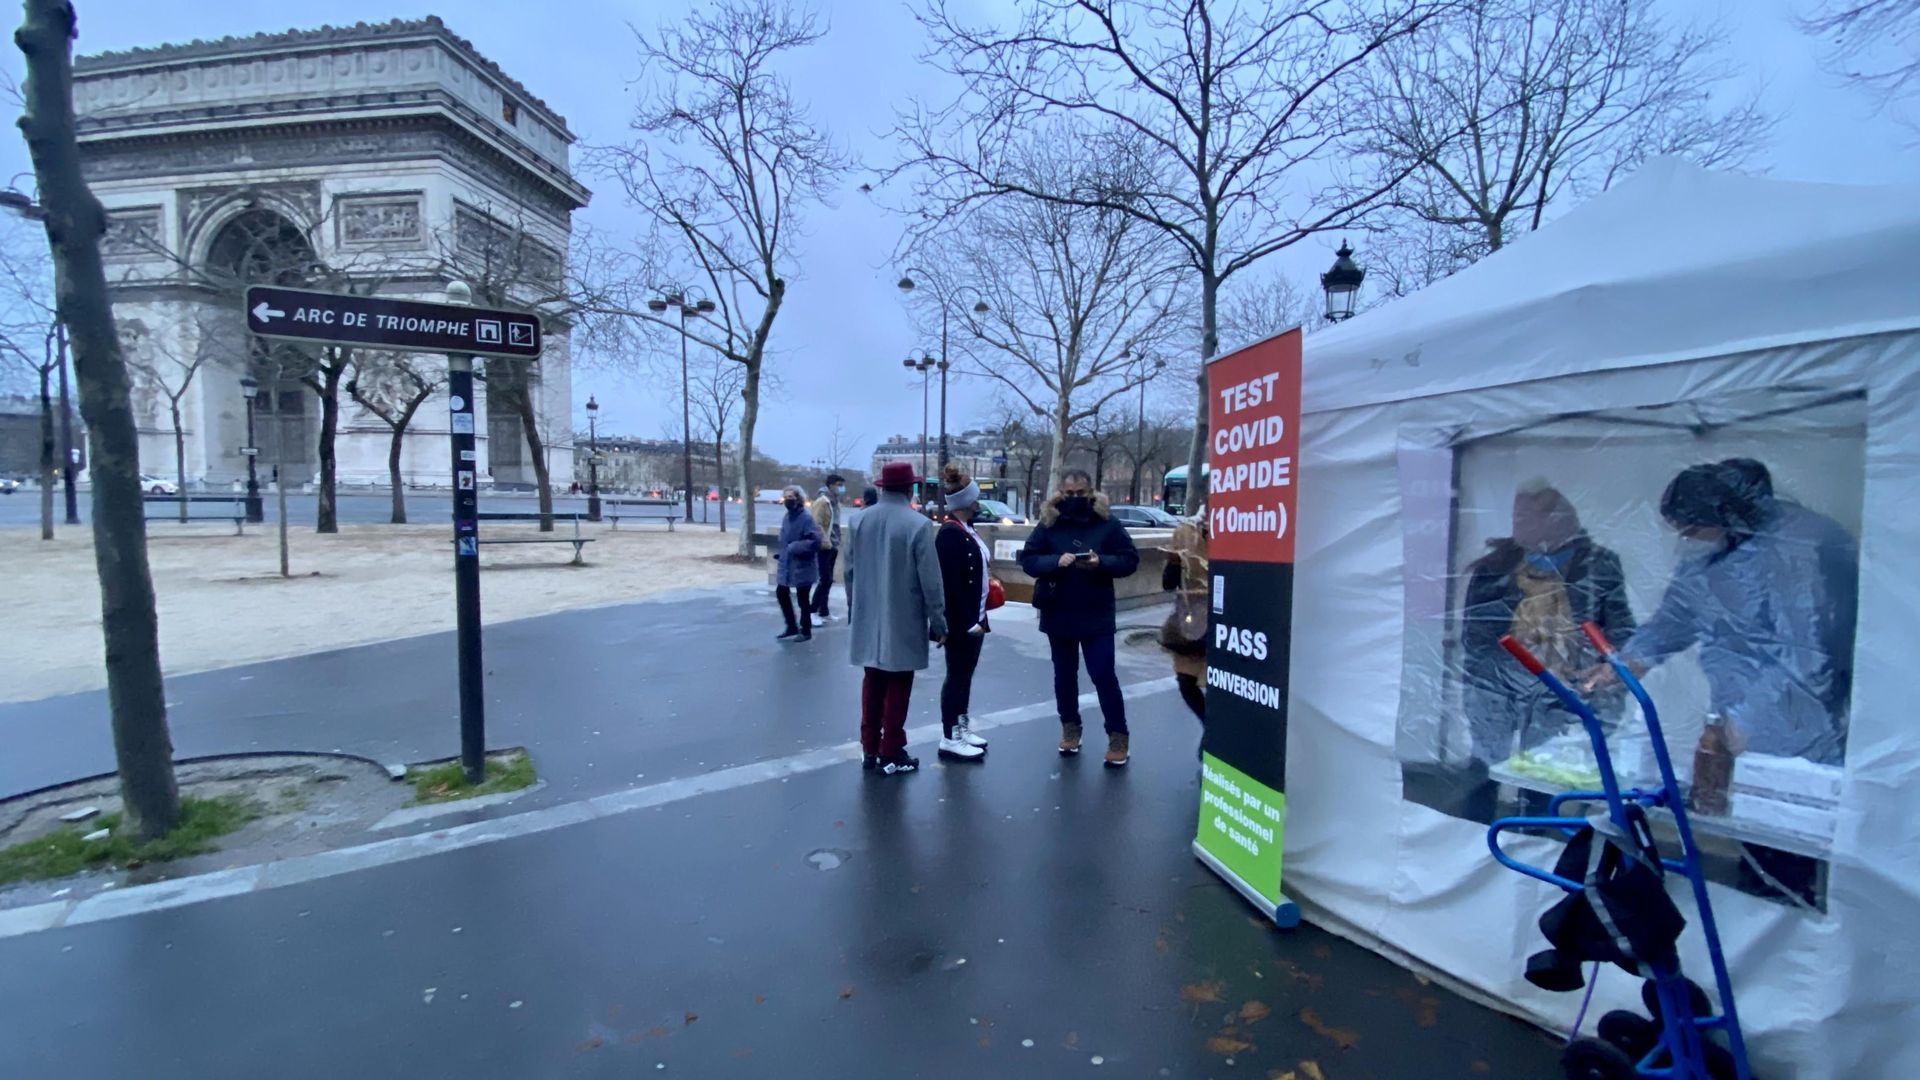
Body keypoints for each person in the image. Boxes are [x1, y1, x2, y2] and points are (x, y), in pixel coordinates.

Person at [1583, 459, 1857, 764]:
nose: (1686, 540)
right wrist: (1631, 660)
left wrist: (1748, 718)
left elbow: (1807, 654)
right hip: (1736, 716)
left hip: (1803, 728)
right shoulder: (1714, 550)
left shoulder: (1801, 548)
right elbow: (1679, 613)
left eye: (1692, 530)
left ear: (1727, 515)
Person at [1459, 480, 1635, 820]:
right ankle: (1472, 836)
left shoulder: (1599, 566)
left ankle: (1532, 845)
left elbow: (1620, 626)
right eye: (1517, 515)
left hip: (1562, 688)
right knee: (1483, 769)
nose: (1519, 523)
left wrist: (1606, 668)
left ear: (1561, 520)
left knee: (1540, 774)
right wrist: (1510, 675)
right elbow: (1476, 637)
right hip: (1496, 687)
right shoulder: (1493, 568)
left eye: (1531, 515)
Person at [1019, 469, 1140, 766]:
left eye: (1080, 493)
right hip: (1058, 611)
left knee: (1103, 675)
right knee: (1064, 676)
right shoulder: (1049, 523)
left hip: (1096, 612)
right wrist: (1054, 562)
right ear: (1060, 493)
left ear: (1091, 492)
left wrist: (1101, 563)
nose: (1074, 498)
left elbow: (1130, 559)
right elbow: (1029, 559)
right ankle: (1070, 728)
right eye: (1068, 493)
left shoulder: (1107, 523)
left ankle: (1118, 735)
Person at [846, 462, 948, 775]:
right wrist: (939, 621)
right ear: (910, 488)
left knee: (872, 682)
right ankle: (891, 750)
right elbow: (930, 581)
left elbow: (849, 572)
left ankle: (868, 748)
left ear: (881, 487)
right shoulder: (917, 525)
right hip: (903, 616)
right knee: (899, 685)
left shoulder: (858, 520)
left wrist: (856, 609)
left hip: (868, 616)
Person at [934, 463, 992, 762]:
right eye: (976, 498)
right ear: (966, 502)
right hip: (962, 621)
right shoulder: (949, 534)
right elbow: (950, 584)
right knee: (956, 676)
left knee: (964, 676)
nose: (979, 502)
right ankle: (950, 735)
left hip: (976, 617)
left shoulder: (967, 530)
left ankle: (961, 727)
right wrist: (966, 621)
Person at [1160, 512, 1210, 723]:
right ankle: (1210, 729)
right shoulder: (1185, 531)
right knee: (1186, 681)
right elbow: (1168, 584)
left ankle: (1218, 738)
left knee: (1224, 685)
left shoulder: (1242, 527)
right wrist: (1173, 563)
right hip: (1193, 617)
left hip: (1228, 617)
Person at [774, 484, 822, 644]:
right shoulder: (787, 518)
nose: (788, 501)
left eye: (791, 498)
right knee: (781, 592)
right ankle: (791, 626)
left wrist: (795, 547)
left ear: (799, 499)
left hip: (803, 565)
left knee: (803, 599)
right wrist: (782, 553)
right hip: (787, 563)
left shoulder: (806, 518)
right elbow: (784, 539)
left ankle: (806, 629)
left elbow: (815, 541)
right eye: (786, 498)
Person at [810, 474, 846, 623]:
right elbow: (816, 524)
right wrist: (826, 542)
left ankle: (823, 611)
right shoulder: (823, 502)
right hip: (825, 545)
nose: (841, 488)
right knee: (825, 579)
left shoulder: (834, 501)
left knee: (829, 580)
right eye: (839, 484)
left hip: (832, 544)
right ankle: (812, 612)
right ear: (830, 485)